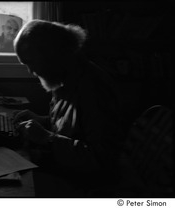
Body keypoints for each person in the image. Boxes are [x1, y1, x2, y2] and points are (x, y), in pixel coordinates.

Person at [12, 20, 125, 188]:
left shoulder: (93, 89)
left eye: (30, 62)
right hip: (66, 169)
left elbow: (101, 159)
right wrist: (43, 121)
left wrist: (47, 138)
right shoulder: (64, 78)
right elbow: (73, 127)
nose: (30, 71)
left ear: (50, 55)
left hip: (87, 185)